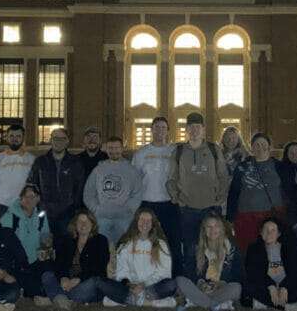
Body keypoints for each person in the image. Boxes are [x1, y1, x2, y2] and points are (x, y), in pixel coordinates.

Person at [166, 112, 230, 278]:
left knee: (214, 248)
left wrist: (221, 196)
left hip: (211, 208)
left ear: (203, 129)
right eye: (190, 127)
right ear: (186, 129)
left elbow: (223, 175)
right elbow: (171, 179)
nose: (194, 130)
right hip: (188, 210)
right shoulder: (179, 151)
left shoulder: (213, 149)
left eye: (197, 127)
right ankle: (192, 285)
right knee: (190, 249)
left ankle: (214, 283)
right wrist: (176, 198)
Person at [131, 116, 179, 274]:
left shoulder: (174, 151)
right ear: (152, 130)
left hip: (169, 204)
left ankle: (173, 276)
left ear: (168, 131)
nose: (160, 130)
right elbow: (134, 179)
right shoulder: (141, 153)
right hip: (147, 204)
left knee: (171, 241)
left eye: (163, 128)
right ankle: (146, 274)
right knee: (147, 241)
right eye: (156, 127)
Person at [103, 208, 178, 306]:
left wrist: (144, 285)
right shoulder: (126, 243)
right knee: (103, 282)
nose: (145, 223)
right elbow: (121, 271)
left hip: (151, 287)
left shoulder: (160, 244)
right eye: (142, 219)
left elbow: (164, 273)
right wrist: (131, 285)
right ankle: (149, 302)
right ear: (136, 222)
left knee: (171, 284)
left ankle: (131, 300)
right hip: (130, 287)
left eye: (148, 220)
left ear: (153, 224)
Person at [40, 210, 112, 311]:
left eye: (87, 221)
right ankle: (63, 300)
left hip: (85, 283)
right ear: (75, 225)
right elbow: (59, 263)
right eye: (80, 221)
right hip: (67, 283)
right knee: (47, 275)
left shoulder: (100, 240)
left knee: (93, 282)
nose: (83, 224)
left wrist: (78, 279)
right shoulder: (67, 240)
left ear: (93, 224)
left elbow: (99, 267)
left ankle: (57, 298)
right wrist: (63, 277)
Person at [227, 132, 286, 253]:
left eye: (263, 144)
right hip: (247, 218)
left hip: (272, 217)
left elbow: (287, 191)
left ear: (270, 147)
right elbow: (234, 192)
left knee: (271, 250)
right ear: (251, 148)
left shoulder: (279, 166)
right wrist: (231, 217)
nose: (260, 147)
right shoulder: (242, 167)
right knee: (248, 251)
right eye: (256, 145)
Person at [175, 213, 243, 311]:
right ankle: (213, 304)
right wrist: (201, 283)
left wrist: (222, 283)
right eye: (209, 227)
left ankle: (198, 302)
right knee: (179, 280)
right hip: (201, 289)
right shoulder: (195, 247)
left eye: (216, 226)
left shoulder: (231, 248)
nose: (212, 230)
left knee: (237, 288)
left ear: (221, 229)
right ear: (204, 230)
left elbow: (238, 273)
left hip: (221, 288)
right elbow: (189, 271)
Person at [0, 184, 55, 302]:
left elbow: (45, 237)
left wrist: (47, 245)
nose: (29, 200)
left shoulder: (41, 216)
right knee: (29, 289)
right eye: (25, 196)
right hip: (16, 264)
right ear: (20, 199)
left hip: (35, 262)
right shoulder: (10, 217)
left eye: (32, 196)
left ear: (38, 198)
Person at [82, 136, 143, 244]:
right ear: (106, 149)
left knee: (124, 247)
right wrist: (97, 209)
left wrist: (128, 209)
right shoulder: (98, 169)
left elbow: (138, 193)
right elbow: (88, 192)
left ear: (122, 148)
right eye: (111, 148)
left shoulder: (131, 170)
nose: (114, 151)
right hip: (102, 219)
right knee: (102, 249)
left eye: (116, 148)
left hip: (124, 218)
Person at [27, 127, 85, 240]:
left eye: (62, 139)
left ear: (67, 141)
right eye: (56, 138)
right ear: (50, 140)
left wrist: (76, 210)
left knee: (66, 247)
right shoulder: (40, 162)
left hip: (68, 214)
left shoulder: (75, 162)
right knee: (44, 246)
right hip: (45, 213)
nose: (59, 142)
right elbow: (32, 186)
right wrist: (37, 207)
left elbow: (80, 189)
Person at [243, 218, 297, 311]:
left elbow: (296, 271)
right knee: (247, 287)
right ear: (261, 233)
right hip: (266, 288)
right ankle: (287, 305)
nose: (269, 233)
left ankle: (265, 303)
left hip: (286, 288)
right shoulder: (254, 249)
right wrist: (271, 286)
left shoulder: (289, 247)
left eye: (273, 230)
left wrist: (285, 287)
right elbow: (254, 272)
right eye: (266, 230)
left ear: (279, 234)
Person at [0, 123, 35, 216]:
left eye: (18, 136)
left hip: (23, 206)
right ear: (7, 137)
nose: (15, 138)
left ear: (23, 138)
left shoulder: (32, 159)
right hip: (1, 205)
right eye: (11, 136)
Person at [78, 126, 109, 191]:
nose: (91, 140)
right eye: (88, 137)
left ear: (100, 141)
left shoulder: (107, 159)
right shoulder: (76, 159)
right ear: (84, 140)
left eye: (95, 137)